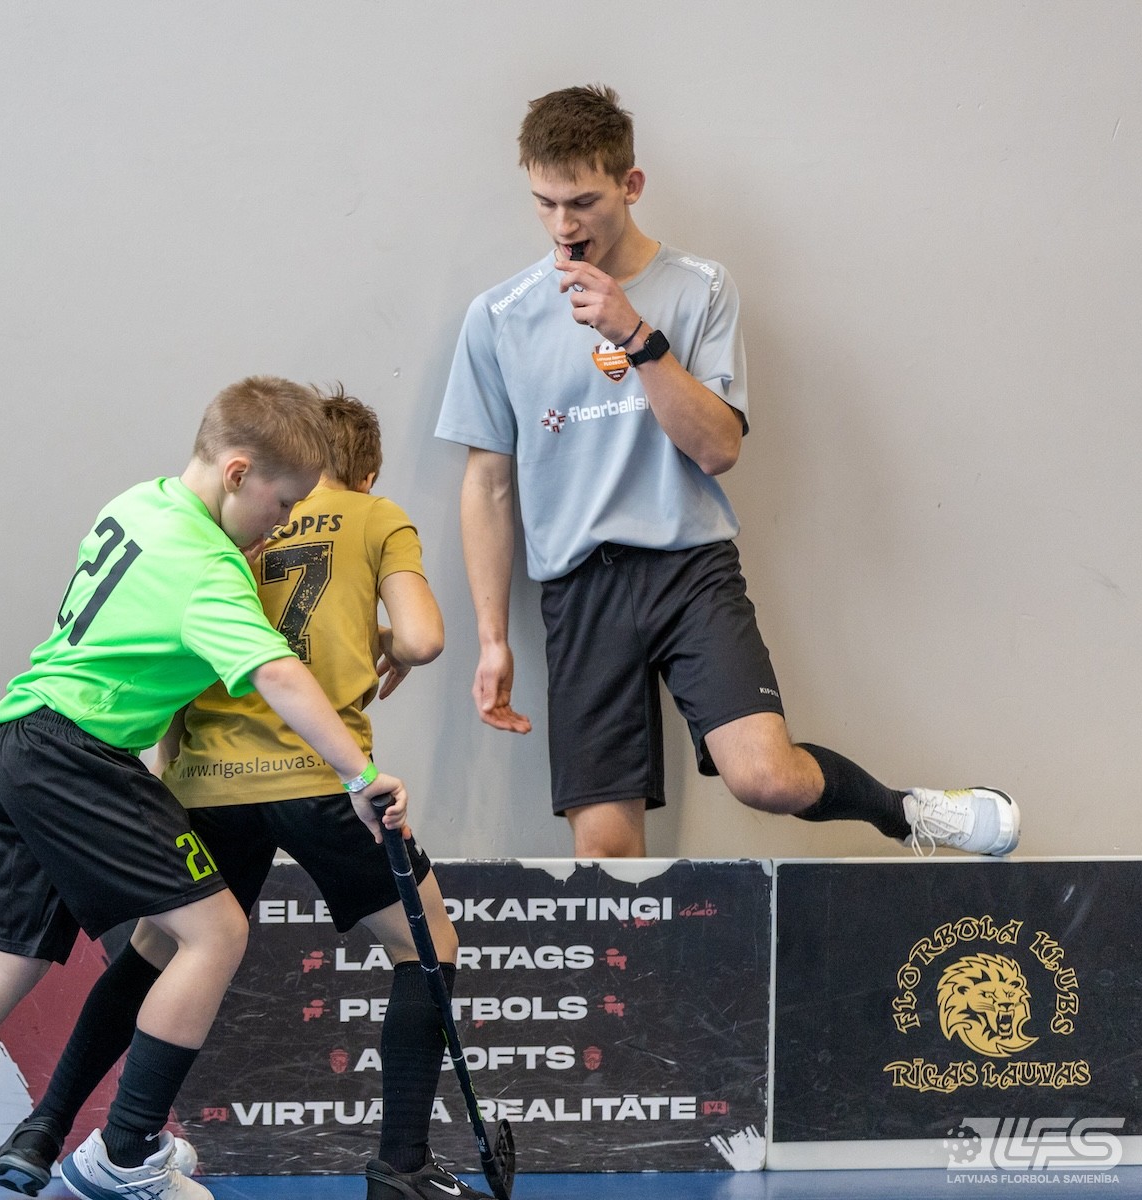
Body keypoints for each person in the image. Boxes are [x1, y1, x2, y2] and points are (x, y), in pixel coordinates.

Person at [0, 376, 413, 1200]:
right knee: (215, 934)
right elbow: (277, 674)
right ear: (238, 473)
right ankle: (125, 1153)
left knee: (9, 965)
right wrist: (361, 775)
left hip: (15, 737)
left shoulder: (139, 505)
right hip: (78, 756)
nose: (283, 522)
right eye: (282, 503)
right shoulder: (207, 570)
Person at [435, 84, 1019, 859]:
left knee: (765, 778)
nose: (564, 226)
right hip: (579, 587)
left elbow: (717, 450)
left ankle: (904, 812)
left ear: (631, 185)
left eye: (583, 202)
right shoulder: (499, 316)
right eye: (546, 204)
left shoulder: (702, 287)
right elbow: (487, 485)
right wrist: (491, 639)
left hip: (688, 567)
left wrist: (635, 334)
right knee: (604, 855)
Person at [0, 387, 494, 1200]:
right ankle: (402, 1164)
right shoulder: (375, 516)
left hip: (208, 776)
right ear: (363, 472)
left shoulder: (224, 531)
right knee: (425, 944)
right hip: (317, 776)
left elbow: (185, 661)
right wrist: (385, 640)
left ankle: (44, 1128)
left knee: (155, 951)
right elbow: (425, 637)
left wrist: (166, 768)